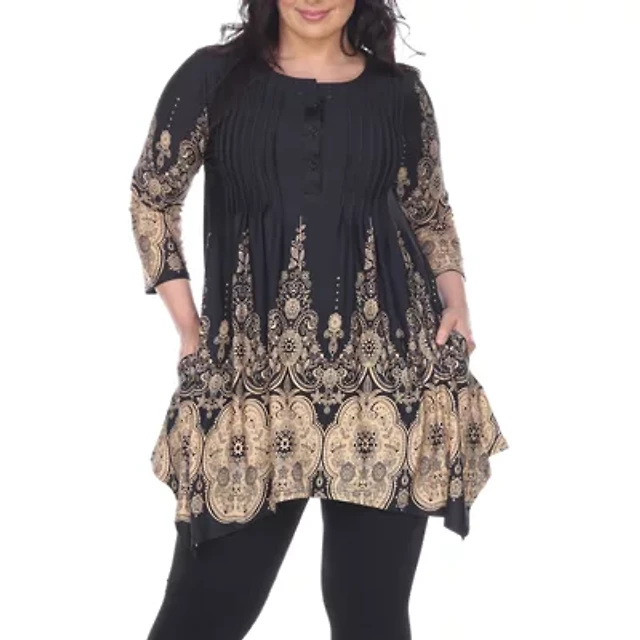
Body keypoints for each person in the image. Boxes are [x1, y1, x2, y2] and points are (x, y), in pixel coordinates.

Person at [128, 1, 509, 638]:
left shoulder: (399, 93)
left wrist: (457, 302)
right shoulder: (213, 78)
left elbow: (428, 211)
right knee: (201, 615)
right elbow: (152, 196)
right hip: (250, 386)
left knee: (370, 620)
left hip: (389, 387)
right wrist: (188, 326)